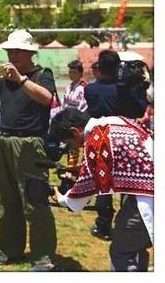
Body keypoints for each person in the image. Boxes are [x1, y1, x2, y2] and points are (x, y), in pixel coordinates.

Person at [0, 29, 57, 271]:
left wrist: (21, 79)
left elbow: (46, 99)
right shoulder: (4, 79)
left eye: (18, 50)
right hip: (7, 142)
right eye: (10, 51)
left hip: (31, 143)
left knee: (35, 199)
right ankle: (9, 249)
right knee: (7, 199)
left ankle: (43, 255)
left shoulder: (42, 74)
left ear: (30, 53)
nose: (13, 54)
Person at [49, 108, 153, 271]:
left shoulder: (97, 139)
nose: (74, 146)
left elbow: (84, 189)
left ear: (75, 131)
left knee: (123, 252)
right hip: (145, 190)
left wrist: (62, 198)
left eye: (70, 142)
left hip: (147, 197)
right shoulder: (117, 120)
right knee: (135, 246)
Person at [83, 49, 148, 241]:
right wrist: (138, 87)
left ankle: (103, 225)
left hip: (101, 138)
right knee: (129, 183)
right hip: (125, 139)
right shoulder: (125, 90)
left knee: (104, 185)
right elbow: (140, 109)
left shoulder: (90, 89)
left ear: (100, 67)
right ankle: (126, 223)